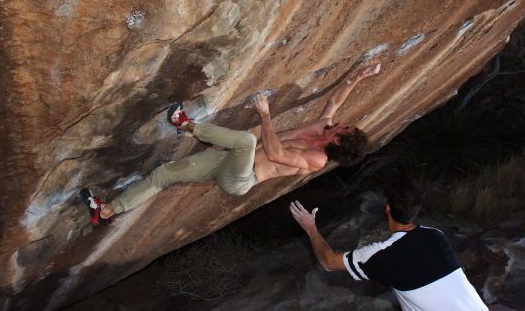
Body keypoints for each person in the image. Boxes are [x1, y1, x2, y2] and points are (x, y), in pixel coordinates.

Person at [80, 63, 381, 226]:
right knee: (165, 173)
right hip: (229, 162)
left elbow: (275, 152)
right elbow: (333, 101)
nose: (341, 122)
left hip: (241, 178)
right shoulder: (324, 127)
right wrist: (357, 76)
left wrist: (265, 116)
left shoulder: (316, 159)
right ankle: (106, 211)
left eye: (344, 127)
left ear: (338, 139)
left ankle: (185, 123)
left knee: (247, 140)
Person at [290, 179, 488, 311]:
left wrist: (310, 228)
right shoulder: (436, 236)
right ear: (416, 209)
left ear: (387, 208)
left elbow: (328, 262)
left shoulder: (382, 255)